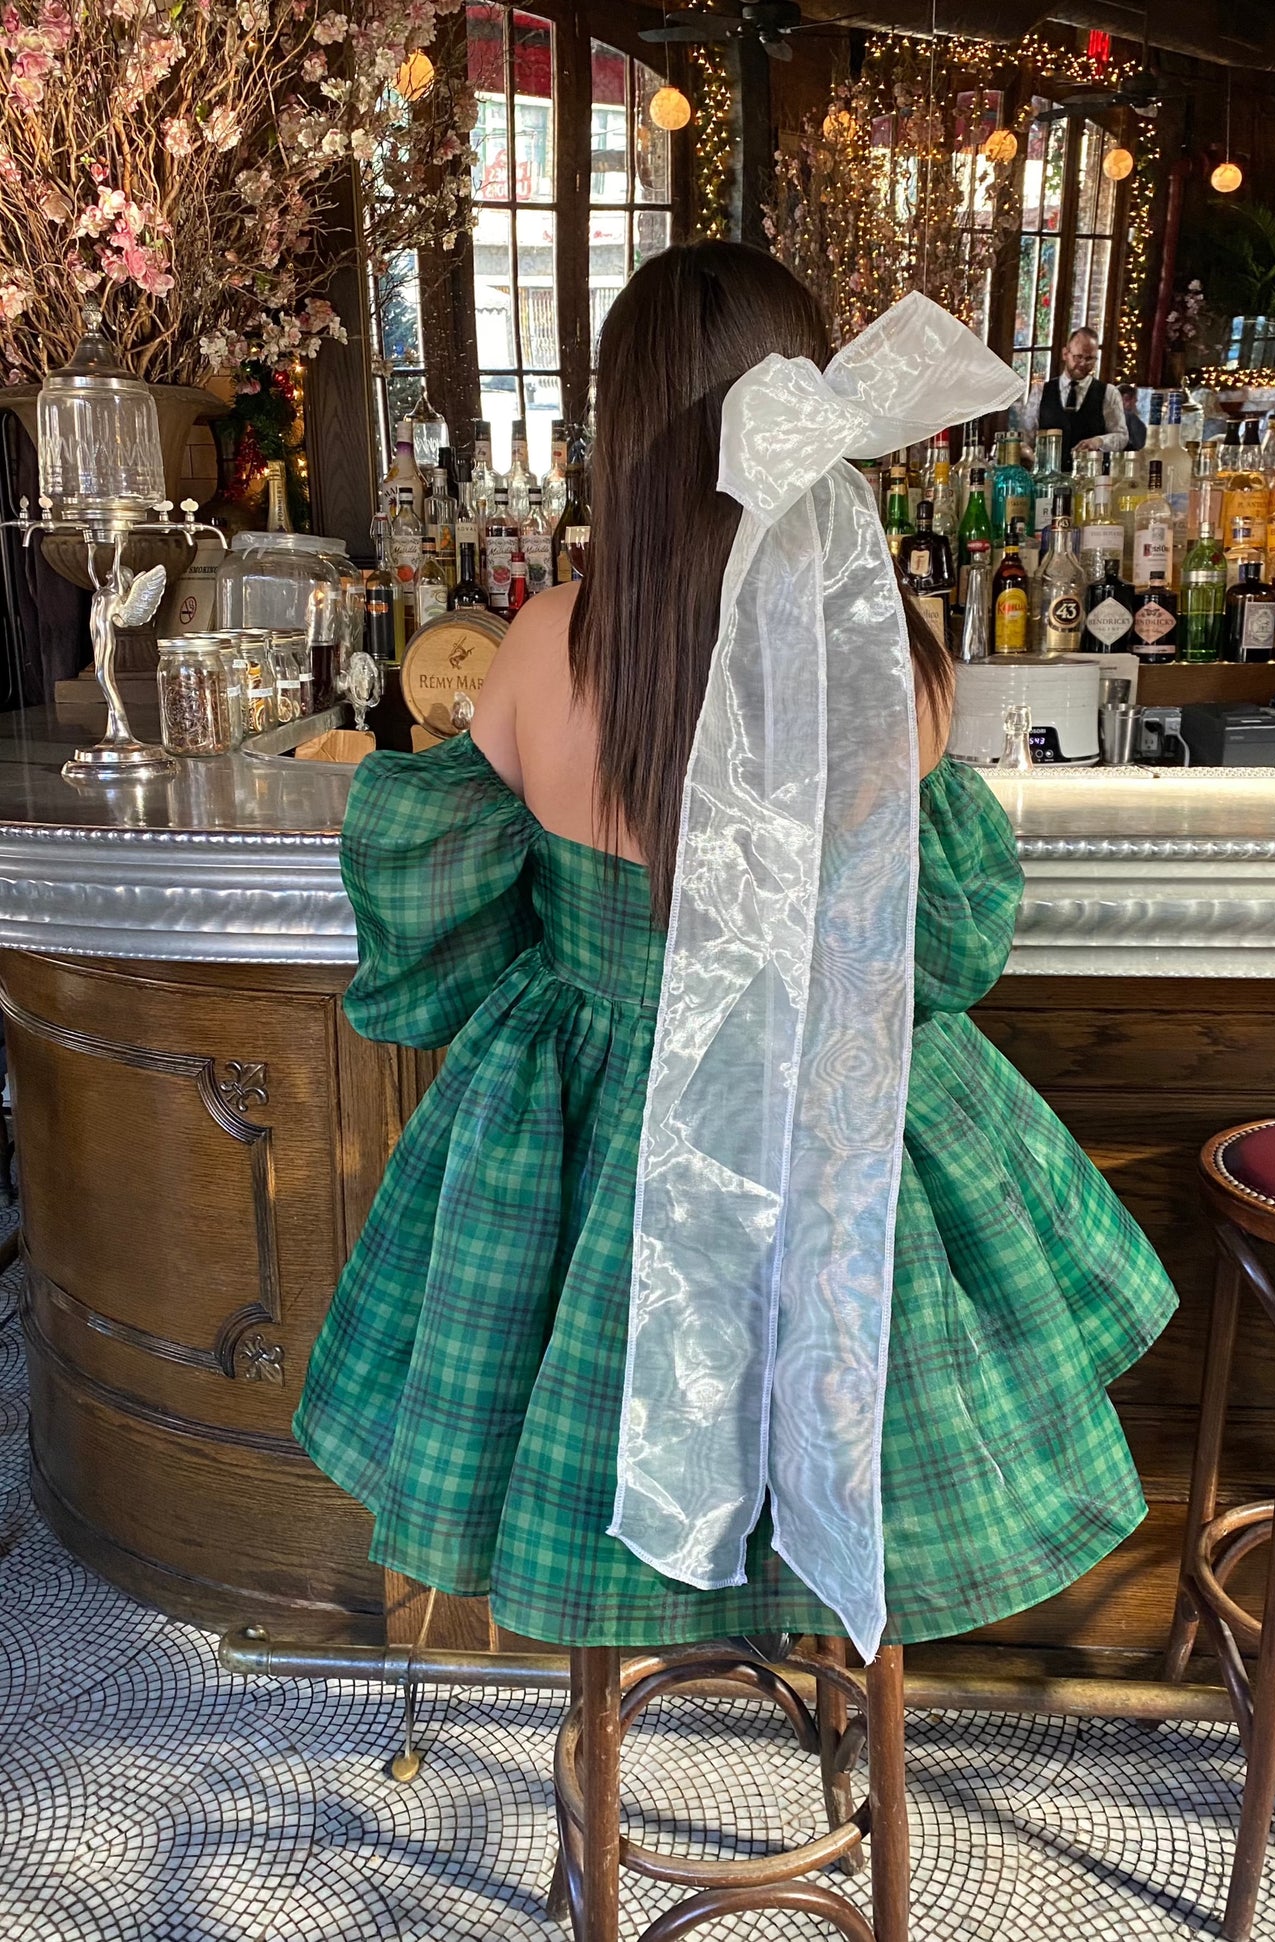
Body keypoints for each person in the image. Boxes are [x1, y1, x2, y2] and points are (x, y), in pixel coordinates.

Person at [294, 243, 1175, 1667]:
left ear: (619, 424)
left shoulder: (540, 648)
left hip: (586, 1135)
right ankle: (838, 1673)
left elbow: (429, 923)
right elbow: (946, 954)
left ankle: (617, 1685)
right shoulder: (899, 654)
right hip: (840, 1119)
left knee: (574, 1409)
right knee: (858, 1366)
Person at [1026, 326, 1130, 459]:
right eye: (1078, 357)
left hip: (1091, 475)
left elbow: (1121, 437)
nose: (1083, 363)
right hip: (1048, 475)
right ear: (1065, 354)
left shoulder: (1108, 393)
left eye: (1090, 359)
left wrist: (1098, 441)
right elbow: (1027, 437)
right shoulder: (1041, 392)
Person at [1118, 382, 1148, 451]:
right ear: (1126, 398)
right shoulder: (1130, 417)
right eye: (1135, 401)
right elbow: (1141, 445)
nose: (1135, 404)